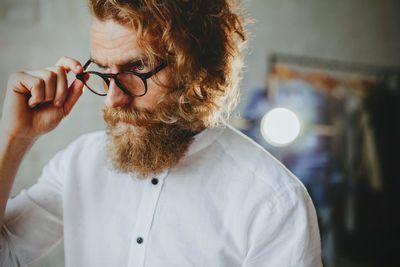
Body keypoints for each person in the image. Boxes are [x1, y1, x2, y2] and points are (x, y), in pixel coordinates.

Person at [0, 1, 322, 266]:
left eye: (137, 67)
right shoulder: (78, 164)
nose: (114, 98)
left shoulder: (273, 203)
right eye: (103, 71)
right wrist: (15, 139)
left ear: (197, 67)